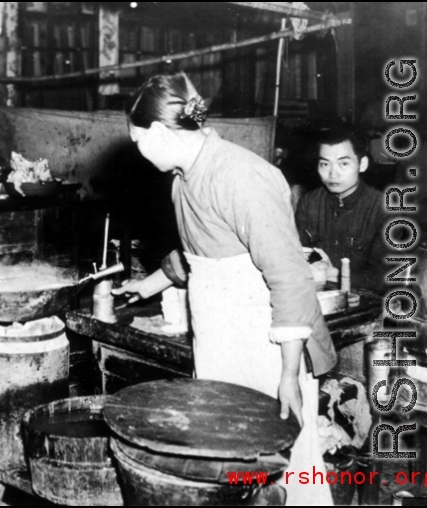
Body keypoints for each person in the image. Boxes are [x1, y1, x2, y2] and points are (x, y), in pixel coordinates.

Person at [112, 72, 336, 506]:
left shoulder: (242, 176)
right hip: (222, 344)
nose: (137, 151)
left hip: (267, 348)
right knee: (230, 466)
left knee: (286, 472)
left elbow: (289, 276)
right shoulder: (183, 179)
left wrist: (287, 376)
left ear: (159, 132)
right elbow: (200, 256)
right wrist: (150, 284)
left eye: (137, 140)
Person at [295, 127, 389, 292]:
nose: (332, 174)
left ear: (362, 164)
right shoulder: (309, 203)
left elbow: (386, 277)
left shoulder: (382, 209)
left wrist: (337, 275)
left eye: (343, 163)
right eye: (324, 164)